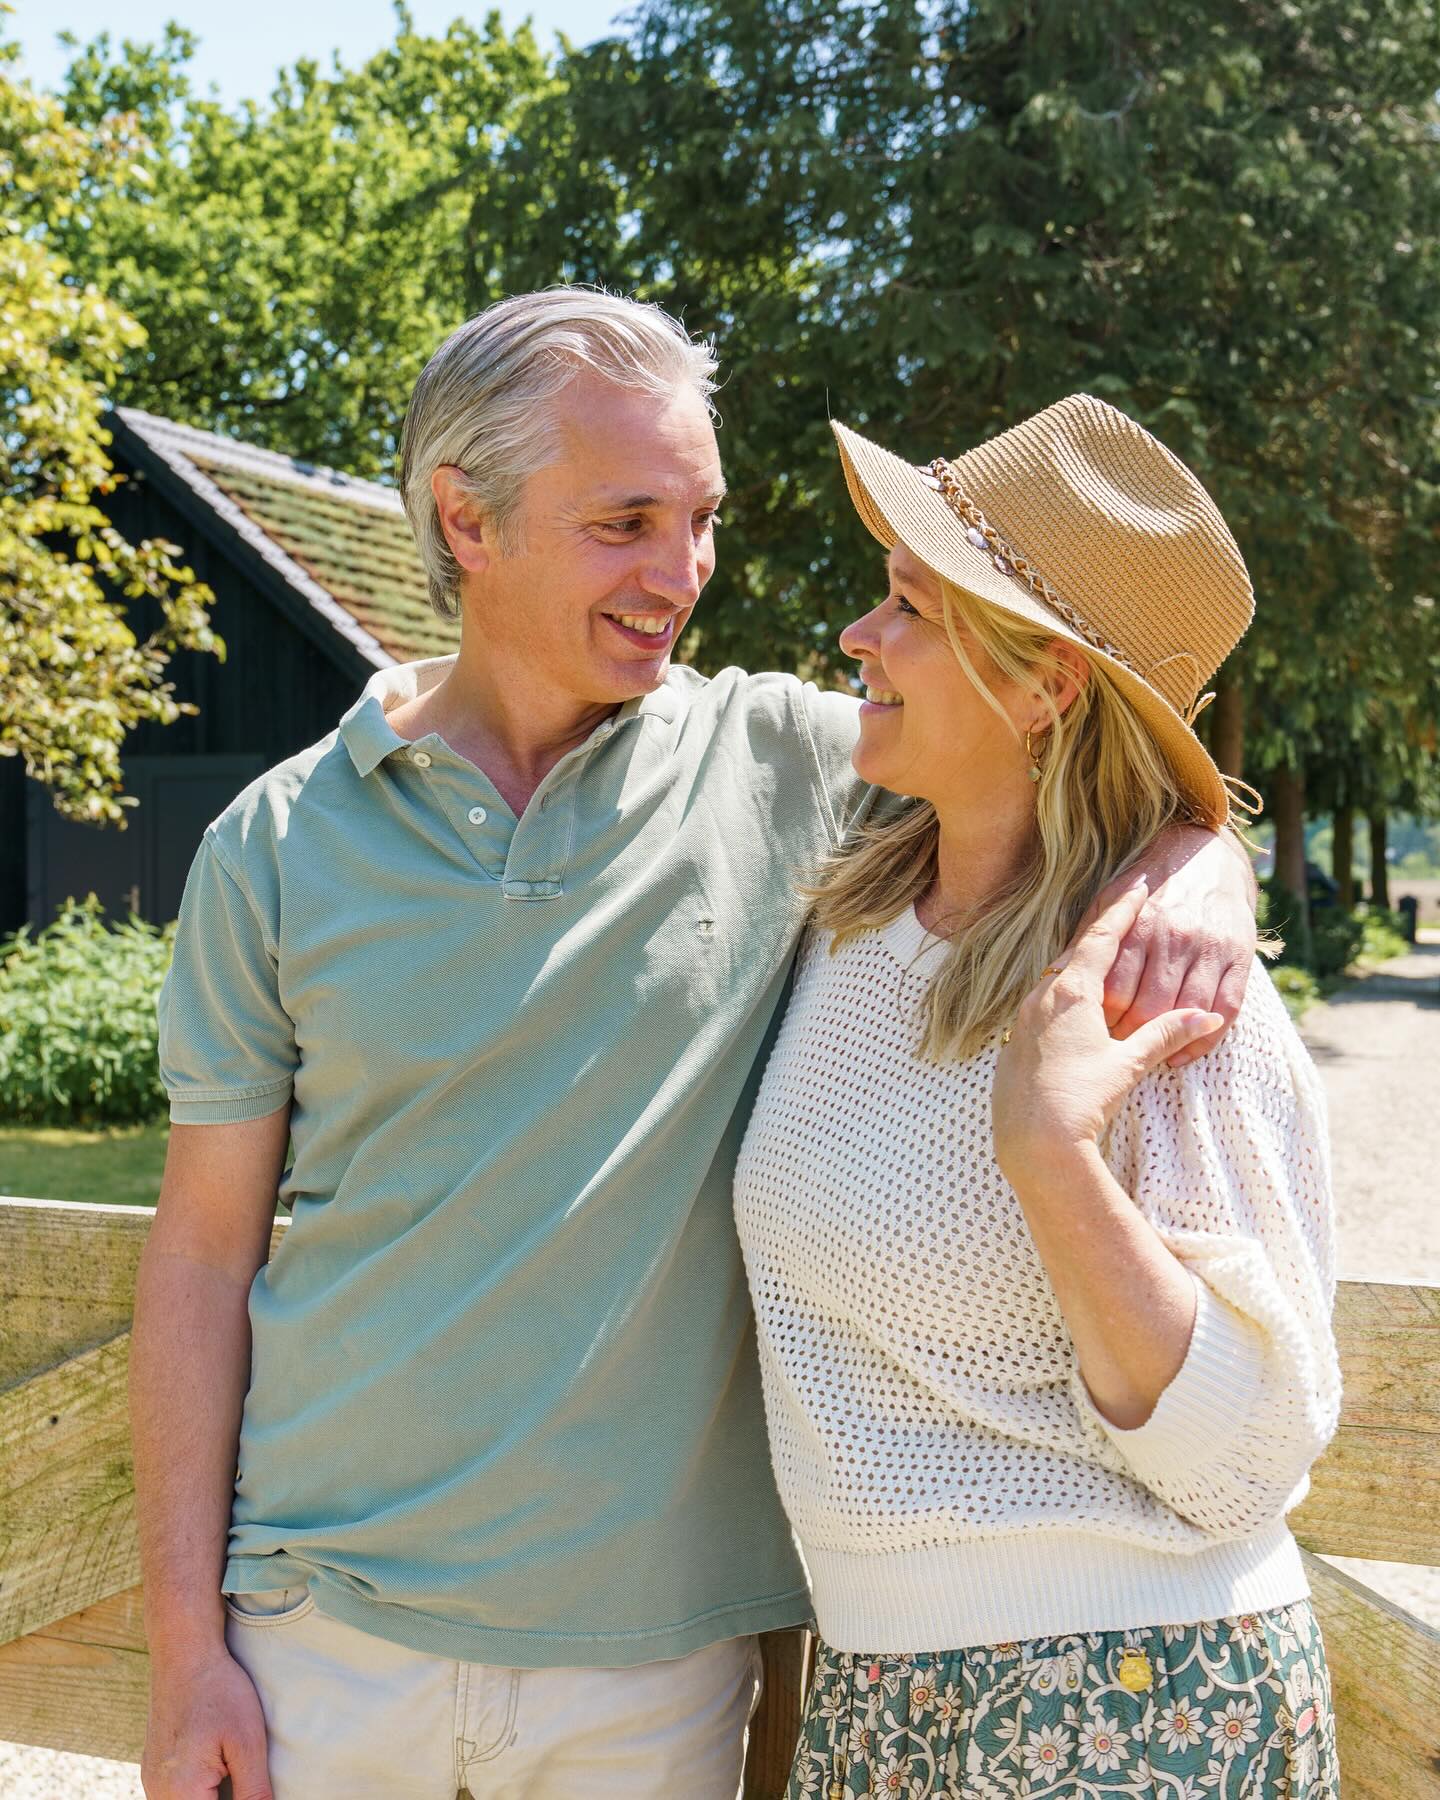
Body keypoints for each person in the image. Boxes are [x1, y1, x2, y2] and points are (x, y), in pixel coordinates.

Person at [134, 293, 1261, 1800]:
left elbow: (1067, 755)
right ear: (465, 520)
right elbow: (203, 1256)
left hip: (655, 1671)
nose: (682, 576)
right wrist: (182, 1647)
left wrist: (1198, 858)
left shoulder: (801, 764)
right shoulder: (273, 845)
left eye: (701, 517)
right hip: (320, 1641)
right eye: (625, 523)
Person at [733, 397, 1341, 1798]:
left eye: (906, 607)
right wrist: (1206, 841)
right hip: (886, 1693)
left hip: (1134, 1704)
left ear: (1047, 685)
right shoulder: (857, 919)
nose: (855, 641)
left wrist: (1052, 1149)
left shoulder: (1160, 997)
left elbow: (1245, 1455)